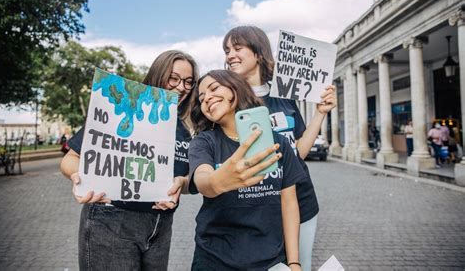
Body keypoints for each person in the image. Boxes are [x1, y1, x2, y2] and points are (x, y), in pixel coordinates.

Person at [60, 50, 199, 270]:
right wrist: (80, 177)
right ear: (158, 74)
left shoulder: (184, 127)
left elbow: (189, 180)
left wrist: (181, 184)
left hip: (160, 227)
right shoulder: (121, 107)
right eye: (174, 78)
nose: (181, 87)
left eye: (189, 82)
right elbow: (70, 159)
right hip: (112, 221)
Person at [223, 25, 336, 271]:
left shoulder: (284, 96)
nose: (230, 55)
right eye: (227, 50)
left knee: (300, 266)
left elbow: (298, 153)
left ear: (258, 52)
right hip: (255, 209)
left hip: (301, 201)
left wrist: (319, 114)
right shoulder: (228, 101)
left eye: (237, 48)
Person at [189, 70, 306, 270]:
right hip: (214, 260)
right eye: (201, 98)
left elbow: (289, 203)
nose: (207, 98)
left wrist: (294, 262)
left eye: (214, 88)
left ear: (236, 87)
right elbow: (203, 180)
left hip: (270, 261)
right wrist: (216, 182)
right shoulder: (204, 142)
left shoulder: (278, 143)